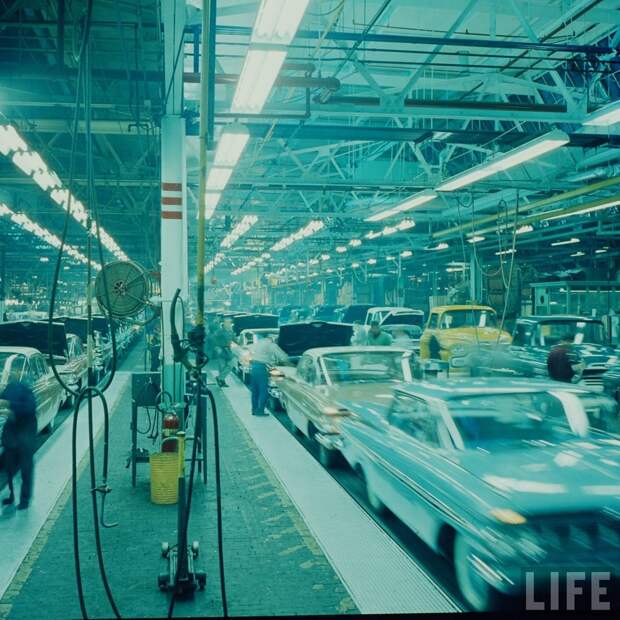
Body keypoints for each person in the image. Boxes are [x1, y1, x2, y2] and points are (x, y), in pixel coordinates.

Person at [1, 382, 38, 510]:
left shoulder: (26, 389)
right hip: (12, 433)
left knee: (26, 468)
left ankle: (25, 499)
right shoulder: (8, 388)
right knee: (8, 467)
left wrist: (9, 405)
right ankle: (12, 495)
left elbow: (30, 408)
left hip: (26, 431)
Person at [248, 335, 289, 416]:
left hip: (254, 367)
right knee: (263, 390)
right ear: (273, 339)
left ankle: (254, 410)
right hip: (262, 368)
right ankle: (260, 410)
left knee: (255, 391)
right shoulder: (271, 345)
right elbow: (284, 357)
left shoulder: (258, 343)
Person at [213, 317, 236, 387]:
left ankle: (219, 378)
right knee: (222, 367)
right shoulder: (219, 331)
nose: (229, 324)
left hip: (229, 351)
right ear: (224, 323)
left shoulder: (231, 331)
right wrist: (216, 347)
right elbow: (214, 340)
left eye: (230, 322)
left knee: (232, 364)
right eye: (227, 322)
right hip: (221, 350)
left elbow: (234, 340)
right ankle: (222, 382)